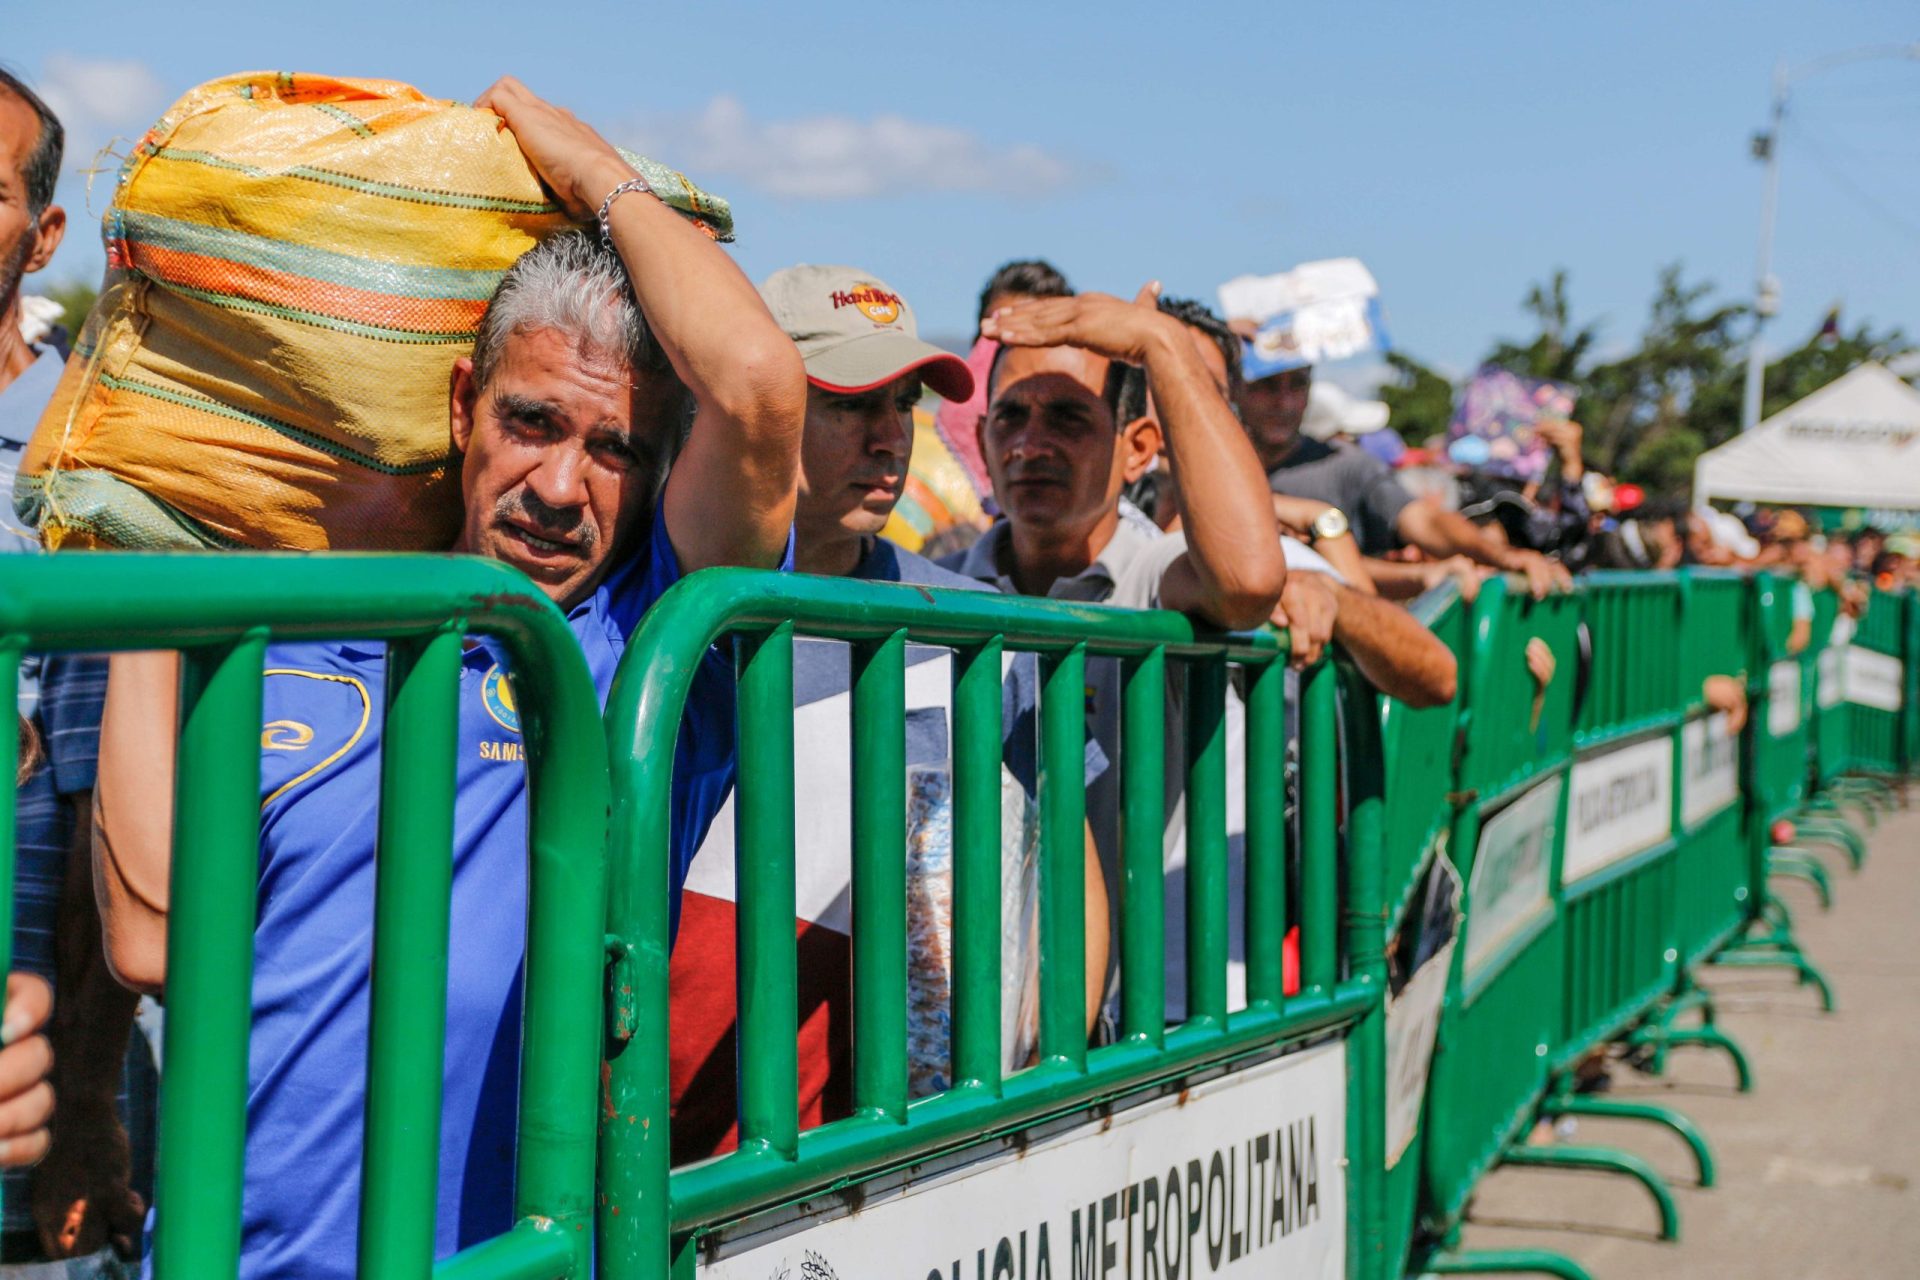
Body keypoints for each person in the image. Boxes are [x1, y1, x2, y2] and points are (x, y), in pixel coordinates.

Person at [91, 78, 806, 1278]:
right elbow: (153, 940)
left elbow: (757, 384)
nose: (563, 486)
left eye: (614, 448)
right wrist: (157, 539)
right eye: (532, 422)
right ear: (465, 406)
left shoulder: (647, 656)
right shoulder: (297, 627)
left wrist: (584, 164)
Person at [669, 265, 1108, 1159]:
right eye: (847, 403)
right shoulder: (658, 592)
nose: (886, 439)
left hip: (866, 1158)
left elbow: (1069, 857)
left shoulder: (976, 628)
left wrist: (1040, 1054)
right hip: (649, 1140)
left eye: (901, 404)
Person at [945, 284, 1287, 1018]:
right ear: (981, 443)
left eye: (1068, 418)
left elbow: (1249, 579)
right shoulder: (943, 588)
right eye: (1010, 416)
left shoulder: (1152, 573)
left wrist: (1159, 342)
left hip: (1136, 1023)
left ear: (1138, 449)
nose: (1030, 444)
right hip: (975, 1015)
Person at [1, 68, 154, 1278]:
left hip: (29, 1104)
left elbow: (105, 809)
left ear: (43, 232)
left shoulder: (80, 472)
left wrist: (84, 1102)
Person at [1237, 360, 1569, 598]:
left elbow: (1424, 520)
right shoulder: (1211, 469)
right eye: (1267, 385)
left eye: (1297, 384)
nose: (1284, 401)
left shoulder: (1346, 465)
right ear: (1237, 387)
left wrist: (1504, 557)